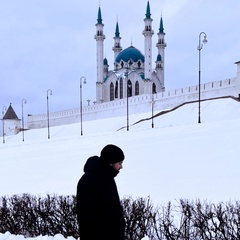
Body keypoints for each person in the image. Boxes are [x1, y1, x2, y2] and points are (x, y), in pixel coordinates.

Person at [76, 144, 126, 240]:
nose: (121, 166)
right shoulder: (88, 181)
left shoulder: (108, 177)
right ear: (111, 162)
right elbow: (87, 218)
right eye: (119, 163)